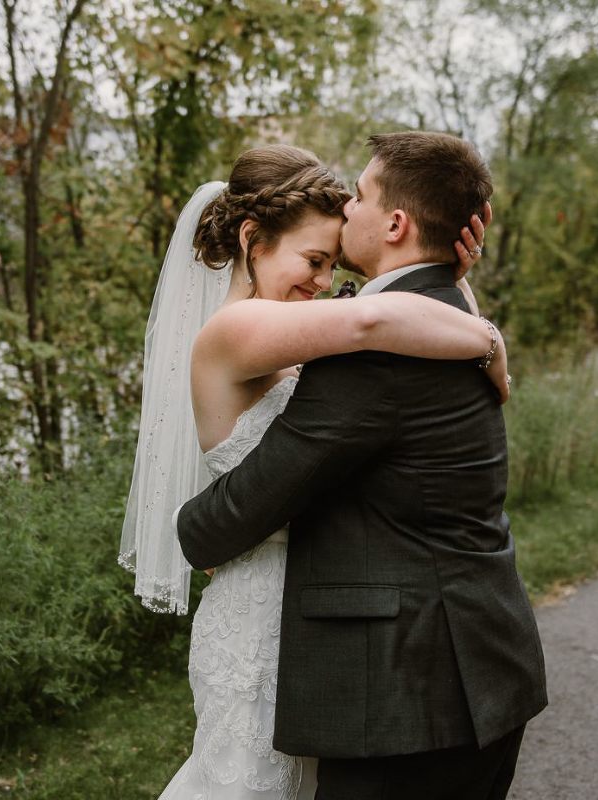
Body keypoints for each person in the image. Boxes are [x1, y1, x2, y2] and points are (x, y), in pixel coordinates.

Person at [119, 143, 506, 800]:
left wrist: (452, 281)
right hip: (257, 609)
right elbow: (371, 315)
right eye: (313, 261)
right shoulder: (236, 330)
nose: (323, 281)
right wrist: (486, 337)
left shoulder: (297, 329)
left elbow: (381, 322)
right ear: (252, 239)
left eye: (330, 263)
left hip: (314, 612)